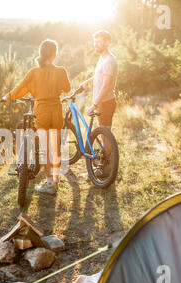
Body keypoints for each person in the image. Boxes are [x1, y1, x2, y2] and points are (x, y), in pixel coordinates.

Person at [1, 39, 71, 195]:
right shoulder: (61, 71)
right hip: (56, 111)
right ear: (54, 54)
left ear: (41, 53)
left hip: (42, 112)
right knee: (55, 148)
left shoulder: (34, 72)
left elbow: (20, 88)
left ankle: (50, 183)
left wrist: (8, 97)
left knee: (46, 150)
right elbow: (67, 88)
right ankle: (56, 179)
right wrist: (57, 87)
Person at [79, 30, 118, 177]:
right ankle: (108, 165)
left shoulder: (109, 61)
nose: (96, 44)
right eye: (95, 41)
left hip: (105, 103)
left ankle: (107, 169)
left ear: (107, 42)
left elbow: (107, 85)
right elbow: (99, 76)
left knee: (105, 136)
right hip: (103, 102)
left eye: (100, 41)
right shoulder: (103, 58)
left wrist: (95, 104)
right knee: (104, 135)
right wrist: (87, 82)